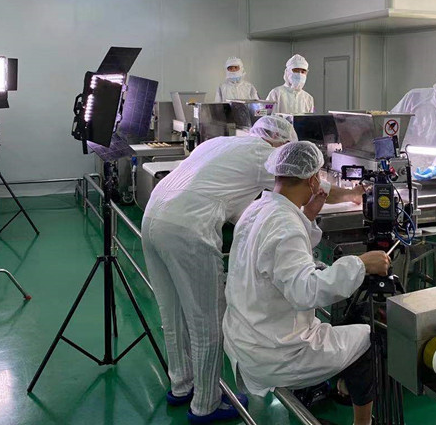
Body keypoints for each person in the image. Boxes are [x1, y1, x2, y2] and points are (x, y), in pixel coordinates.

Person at [141, 117, 360, 423]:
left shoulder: (221, 143)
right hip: (187, 229)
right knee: (206, 320)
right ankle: (205, 404)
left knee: (172, 311)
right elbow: (309, 182)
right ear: (279, 143)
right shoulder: (262, 153)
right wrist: (353, 193)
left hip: (154, 215)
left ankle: (181, 385)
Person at [224, 141, 391, 425]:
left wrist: (308, 215)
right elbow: (306, 291)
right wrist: (362, 264)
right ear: (313, 180)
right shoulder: (285, 225)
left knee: (341, 330)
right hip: (276, 352)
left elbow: (276, 259)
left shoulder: (258, 208)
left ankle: (341, 386)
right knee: (371, 338)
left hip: (244, 335)